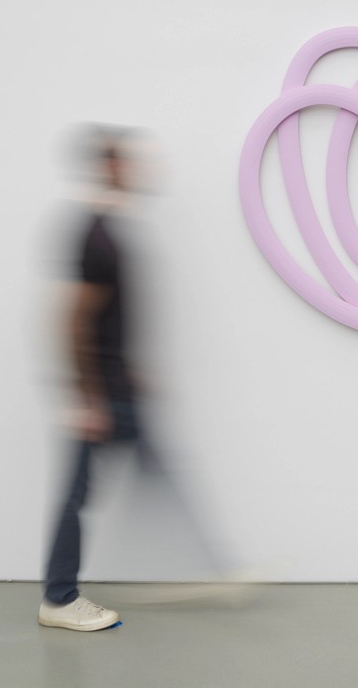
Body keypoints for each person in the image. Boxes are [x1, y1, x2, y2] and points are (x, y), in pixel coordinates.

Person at [39, 125, 222, 631]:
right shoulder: (97, 236)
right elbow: (74, 320)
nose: (137, 169)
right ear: (108, 168)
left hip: (119, 385)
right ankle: (59, 599)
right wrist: (86, 399)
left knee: (160, 473)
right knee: (79, 493)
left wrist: (130, 371)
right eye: (126, 161)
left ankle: (213, 567)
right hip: (102, 394)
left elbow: (105, 318)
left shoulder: (111, 230)